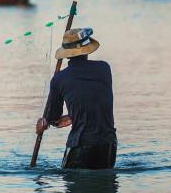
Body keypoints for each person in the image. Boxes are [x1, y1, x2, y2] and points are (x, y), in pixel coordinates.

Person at [35, 27, 117, 169]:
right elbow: (92, 102)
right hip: (108, 143)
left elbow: (53, 117)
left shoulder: (59, 79)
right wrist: (73, 116)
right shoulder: (104, 69)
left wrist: (44, 122)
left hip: (80, 144)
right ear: (87, 49)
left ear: (66, 53)